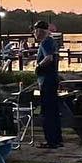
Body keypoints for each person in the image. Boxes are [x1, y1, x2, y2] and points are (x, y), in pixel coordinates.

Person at [32, 20, 63, 148]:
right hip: (52, 79)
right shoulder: (52, 42)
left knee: (47, 111)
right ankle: (57, 139)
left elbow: (48, 58)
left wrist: (38, 66)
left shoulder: (45, 42)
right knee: (54, 110)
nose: (34, 33)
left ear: (40, 31)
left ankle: (51, 140)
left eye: (35, 31)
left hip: (46, 81)